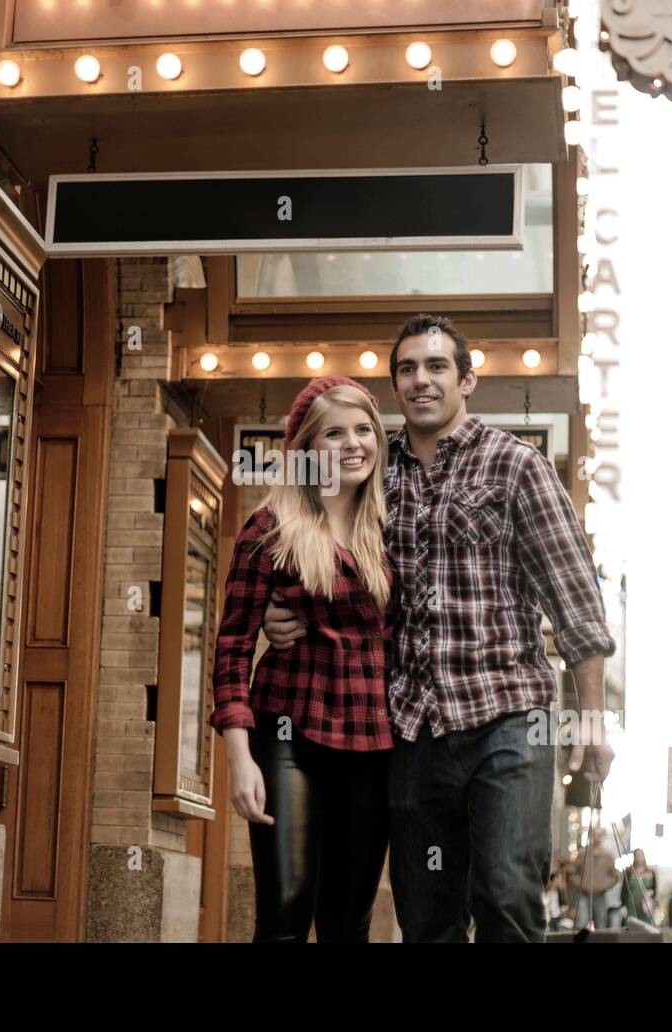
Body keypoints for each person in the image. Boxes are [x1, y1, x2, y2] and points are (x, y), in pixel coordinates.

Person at [264, 314, 617, 942]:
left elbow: (575, 601)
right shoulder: (374, 476)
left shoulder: (516, 466)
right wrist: (280, 608)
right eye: (407, 369)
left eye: (436, 366)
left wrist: (591, 719)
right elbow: (317, 548)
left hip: (508, 717)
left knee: (505, 893)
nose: (421, 380)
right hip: (410, 728)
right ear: (395, 386)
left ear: (467, 380)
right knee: (426, 914)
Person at [209, 376, 397, 942]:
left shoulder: (391, 531)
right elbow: (232, 648)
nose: (353, 443)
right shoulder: (270, 529)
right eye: (334, 433)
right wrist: (240, 758)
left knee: (348, 922)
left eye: (364, 429)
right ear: (306, 450)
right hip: (288, 737)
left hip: (372, 745)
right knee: (286, 911)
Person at [574, 830, 621, 930]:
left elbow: (615, 875)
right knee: (582, 922)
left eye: (598, 836)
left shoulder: (607, 855)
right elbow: (573, 872)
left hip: (600, 896)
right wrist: (581, 884)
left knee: (600, 924)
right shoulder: (583, 853)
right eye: (594, 836)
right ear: (590, 837)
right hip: (584, 894)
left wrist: (603, 885)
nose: (596, 838)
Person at [622, 847, 659, 924]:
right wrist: (623, 905)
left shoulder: (651, 873)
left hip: (645, 906)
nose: (639, 857)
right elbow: (624, 890)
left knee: (645, 926)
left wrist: (652, 900)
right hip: (631, 905)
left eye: (641, 854)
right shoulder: (629, 872)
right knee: (631, 925)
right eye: (637, 855)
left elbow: (654, 890)